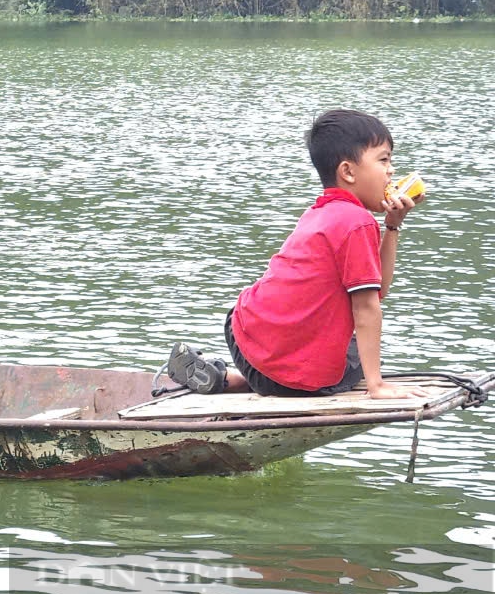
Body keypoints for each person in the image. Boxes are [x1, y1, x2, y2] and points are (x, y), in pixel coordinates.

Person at [166, 109, 425, 400]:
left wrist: (392, 227)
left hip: (243, 335)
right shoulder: (358, 223)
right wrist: (376, 385)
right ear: (348, 171)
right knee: (353, 359)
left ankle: (231, 380)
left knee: (346, 346)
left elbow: (377, 291)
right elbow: (366, 308)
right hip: (287, 375)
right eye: (384, 159)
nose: (391, 170)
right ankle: (255, 380)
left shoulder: (320, 212)